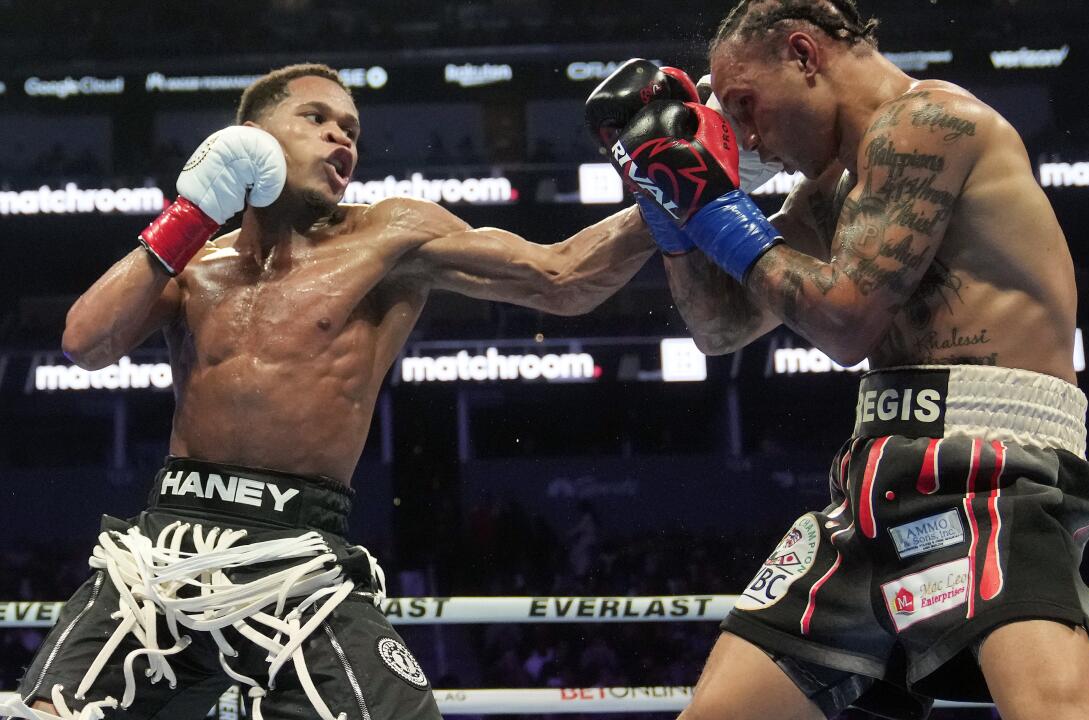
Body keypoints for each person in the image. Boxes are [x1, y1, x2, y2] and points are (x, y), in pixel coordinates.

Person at [3, 62, 656, 720]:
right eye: (317, 120)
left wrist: (672, 193)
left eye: (352, 130)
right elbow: (84, 343)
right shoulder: (194, 262)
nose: (342, 140)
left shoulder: (389, 235)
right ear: (251, 136)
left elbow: (561, 277)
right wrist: (190, 214)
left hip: (301, 561)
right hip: (163, 553)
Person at [587, 0, 1089, 720]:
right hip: (874, 476)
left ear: (804, 54)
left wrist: (718, 208)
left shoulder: (928, 122)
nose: (750, 137)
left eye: (746, 107)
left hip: (992, 468)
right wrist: (677, 219)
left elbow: (844, 322)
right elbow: (719, 329)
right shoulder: (830, 191)